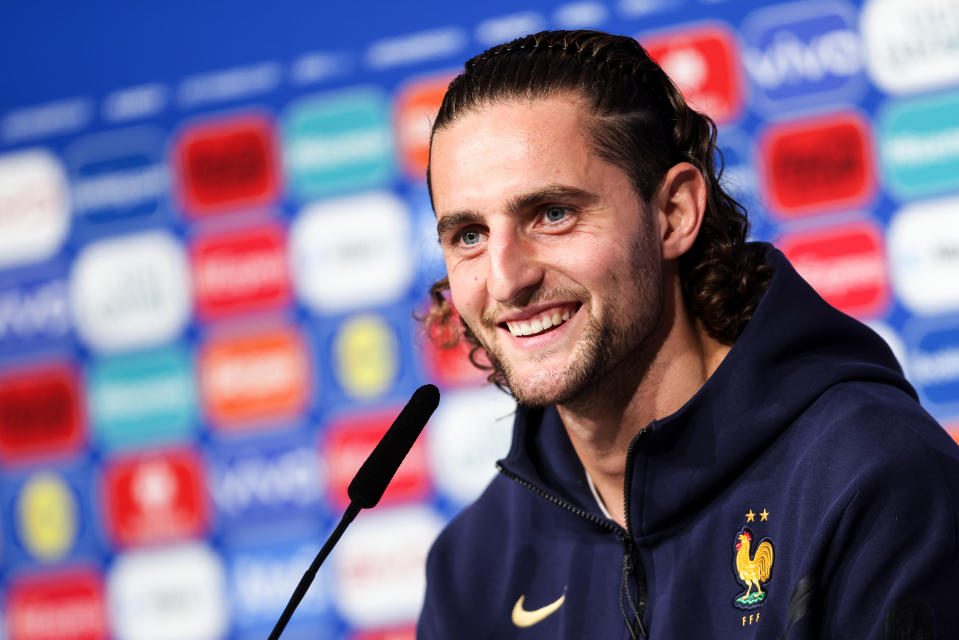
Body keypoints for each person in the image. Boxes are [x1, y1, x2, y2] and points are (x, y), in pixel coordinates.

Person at [417, 30, 959, 639]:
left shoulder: (870, 478)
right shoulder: (472, 569)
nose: (506, 279)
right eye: (468, 235)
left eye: (553, 214)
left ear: (673, 214)